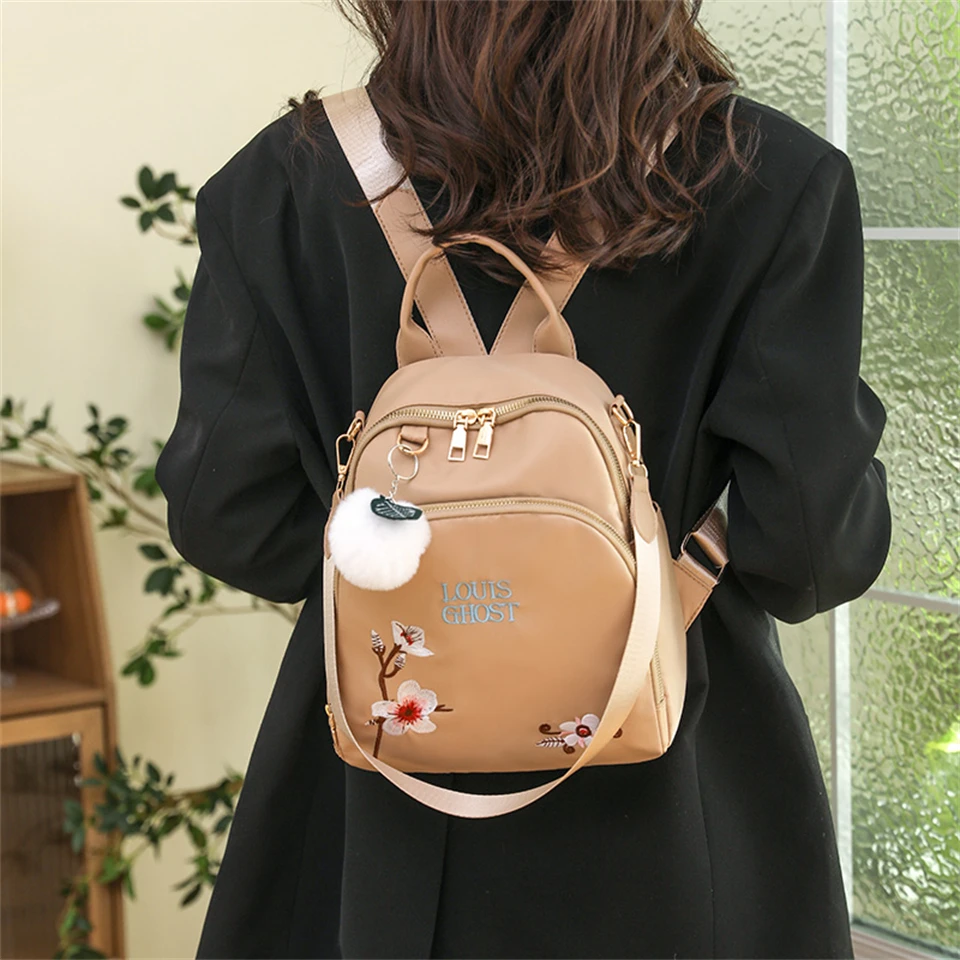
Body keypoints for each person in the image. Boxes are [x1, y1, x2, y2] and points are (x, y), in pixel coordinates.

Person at [155, 1, 891, 957]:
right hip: (685, 810)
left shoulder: (283, 184)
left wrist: (433, 589)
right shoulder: (767, 176)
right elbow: (810, 551)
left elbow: (229, 520)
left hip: (378, 814)